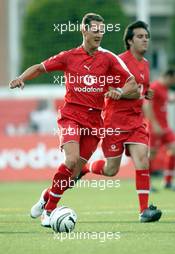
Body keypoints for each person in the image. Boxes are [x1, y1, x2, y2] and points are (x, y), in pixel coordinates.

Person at [9, 13, 137, 227]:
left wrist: (120, 91)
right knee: (70, 160)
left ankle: (46, 197)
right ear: (84, 30)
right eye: (95, 29)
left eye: (102, 30)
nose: (99, 34)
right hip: (71, 116)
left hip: (95, 121)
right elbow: (40, 68)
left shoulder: (108, 59)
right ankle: (48, 212)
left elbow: (133, 84)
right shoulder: (69, 57)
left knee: (73, 174)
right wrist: (22, 78)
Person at [77, 20, 162, 222]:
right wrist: (118, 92)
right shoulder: (117, 62)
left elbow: (142, 89)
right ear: (130, 41)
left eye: (147, 37)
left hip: (136, 122)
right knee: (111, 170)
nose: (145, 40)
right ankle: (85, 168)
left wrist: (146, 93)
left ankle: (144, 211)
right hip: (114, 122)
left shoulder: (147, 65)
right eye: (140, 37)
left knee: (142, 159)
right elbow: (104, 87)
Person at [144, 69, 175, 189]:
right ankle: (147, 183)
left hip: (165, 127)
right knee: (151, 154)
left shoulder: (165, 88)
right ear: (168, 76)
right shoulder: (154, 86)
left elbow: (163, 102)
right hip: (154, 127)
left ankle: (167, 181)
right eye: (173, 79)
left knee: (173, 149)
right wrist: (154, 124)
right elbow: (146, 106)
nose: (173, 82)